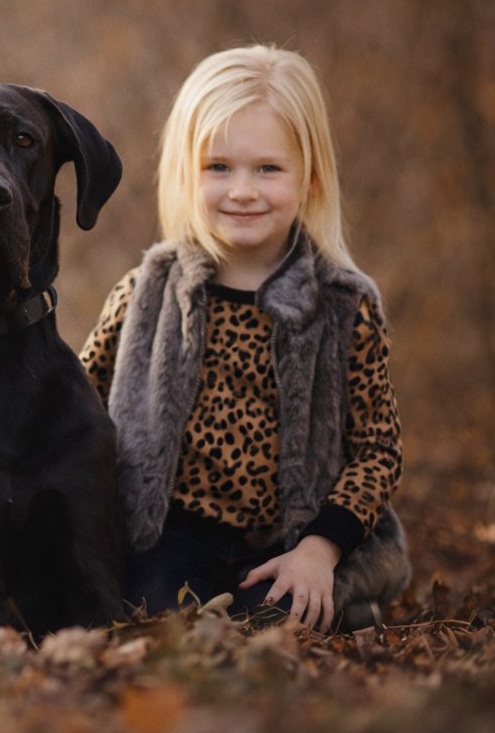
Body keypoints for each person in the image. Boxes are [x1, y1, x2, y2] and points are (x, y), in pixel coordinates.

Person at [80, 44, 409, 632]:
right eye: (219, 167)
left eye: (268, 169)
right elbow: (75, 403)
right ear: (187, 173)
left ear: (309, 178)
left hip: (294, 536)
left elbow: (377, 452)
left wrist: (320, 550)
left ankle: (342, 592)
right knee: (161, 622)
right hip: (170, 534)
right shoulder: (146, 292)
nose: (242, 190)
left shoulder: (344, 306)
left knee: (283, 623)